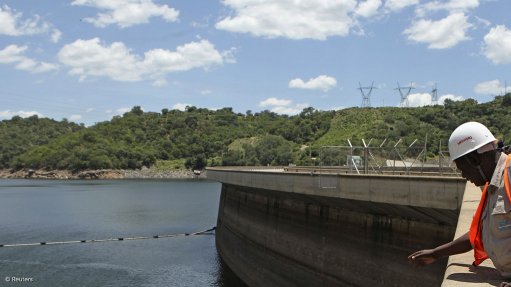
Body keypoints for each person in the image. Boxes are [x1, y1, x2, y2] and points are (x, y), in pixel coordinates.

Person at [408, 121, 511, 287]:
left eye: (462, 167)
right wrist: (436, 253)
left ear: (474, 159)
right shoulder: (492, 186)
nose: (463, 175)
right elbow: (477, 233)